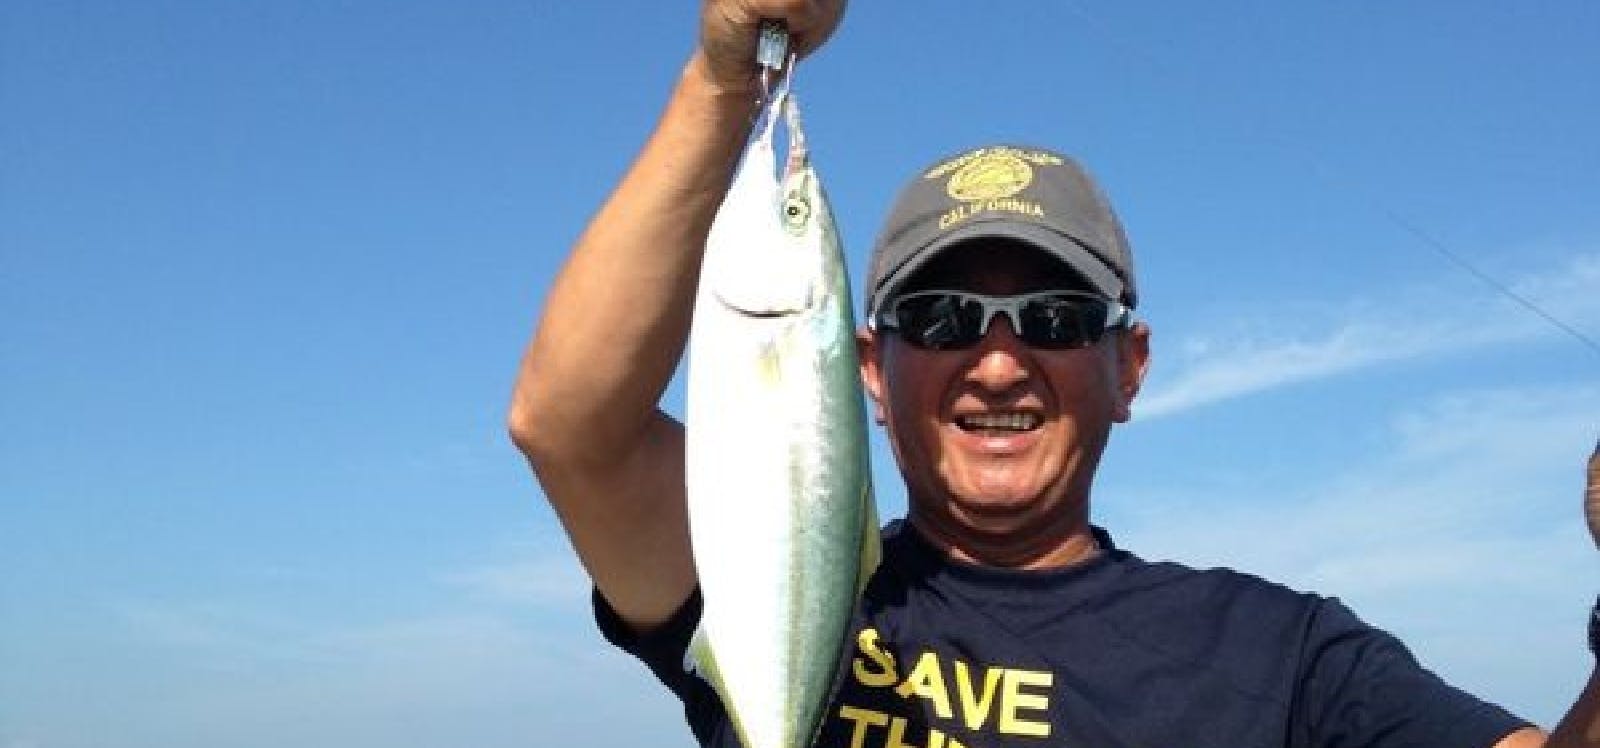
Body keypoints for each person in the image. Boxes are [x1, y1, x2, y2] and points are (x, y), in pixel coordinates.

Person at [507, 1, 1600, 746]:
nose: (996, 361)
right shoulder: (771, 559)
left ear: (1128, 367)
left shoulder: (1287, 656)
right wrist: (720, 80)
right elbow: (569, 428)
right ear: (870, 372)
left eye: (1055, 318)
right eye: (941, 317)